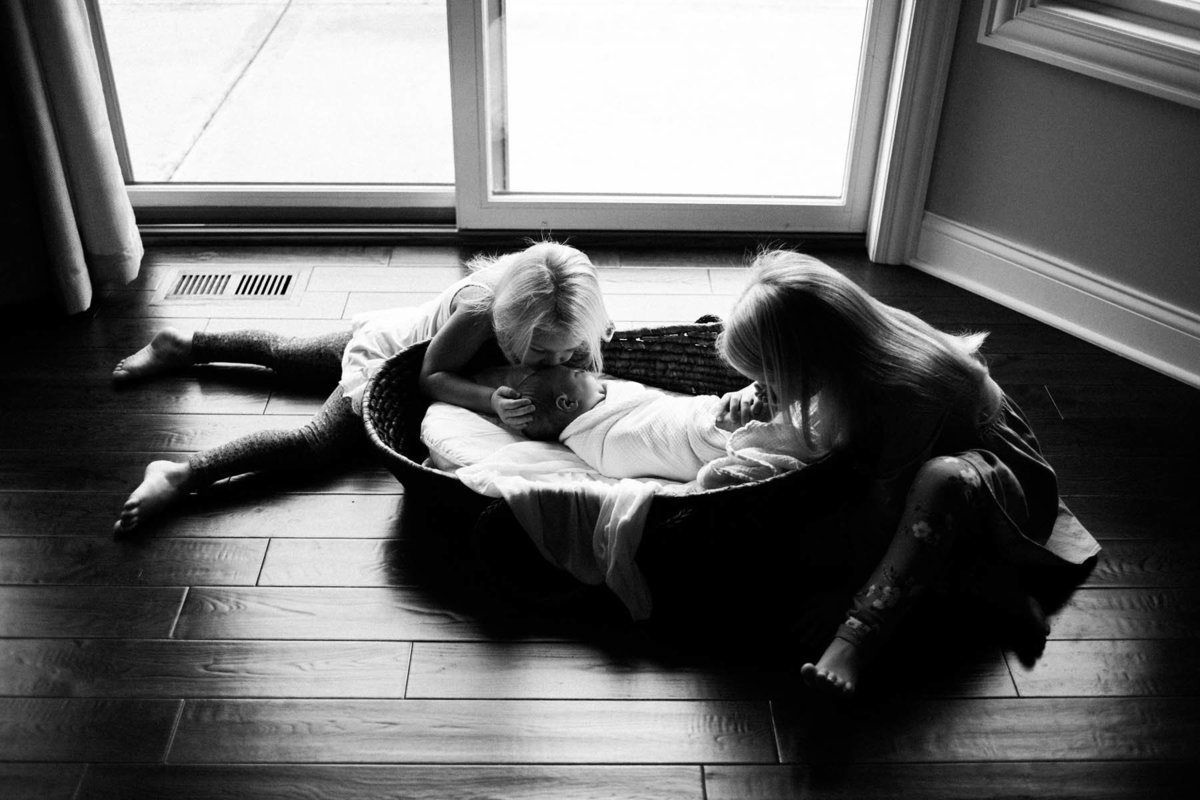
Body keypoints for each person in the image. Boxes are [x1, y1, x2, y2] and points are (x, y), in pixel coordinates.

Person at [715, 249, 1100, 697]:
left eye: (774, 379)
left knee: (933, 491)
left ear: (810, 366)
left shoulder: (906, 392)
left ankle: (856, 639)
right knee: (841, 499)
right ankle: (980, 583)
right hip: (917, 462)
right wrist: (753, 394)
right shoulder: (853, 341)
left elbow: (885, 513)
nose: (772, 391)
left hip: (1002, 497)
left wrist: (848, 591)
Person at [111, 241, 613, 534]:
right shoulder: (481, 312)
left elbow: (585, 350)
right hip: (389, 359)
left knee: (289, 354)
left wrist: (579, 368)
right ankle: (183, 472)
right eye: (542, 354)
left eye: (567, 350)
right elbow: (429, 377)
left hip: (404, 328)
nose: (557, 362)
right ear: (508, 326)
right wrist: (491, 402)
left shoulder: (565, 303)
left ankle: (183, 346)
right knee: (313, 440)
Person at [497, 365, 808, 485]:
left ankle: (761, 418)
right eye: (579, 375)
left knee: (736, 412)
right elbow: (648, 431)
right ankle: (768, 409)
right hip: (691, 434)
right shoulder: (598, 439)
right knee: (724, 418)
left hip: (693, 435)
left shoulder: (595, 426)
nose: (587, 373)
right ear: (568, 403)